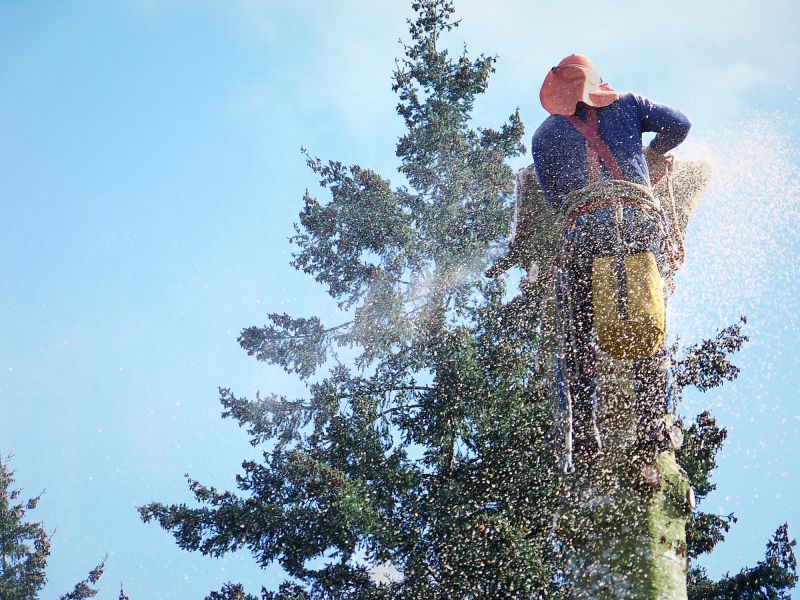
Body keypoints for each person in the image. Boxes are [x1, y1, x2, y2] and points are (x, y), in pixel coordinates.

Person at [531, 54, 690, 479]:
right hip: (638, 222)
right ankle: (654, 425)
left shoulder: (545, 136)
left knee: (577, 334)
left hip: (584, 232)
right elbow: (681, 124)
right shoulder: (627, 103)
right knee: (651, 322)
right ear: (596, 83)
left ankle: (583, 430)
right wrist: (652, 156)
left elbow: (552, 201)